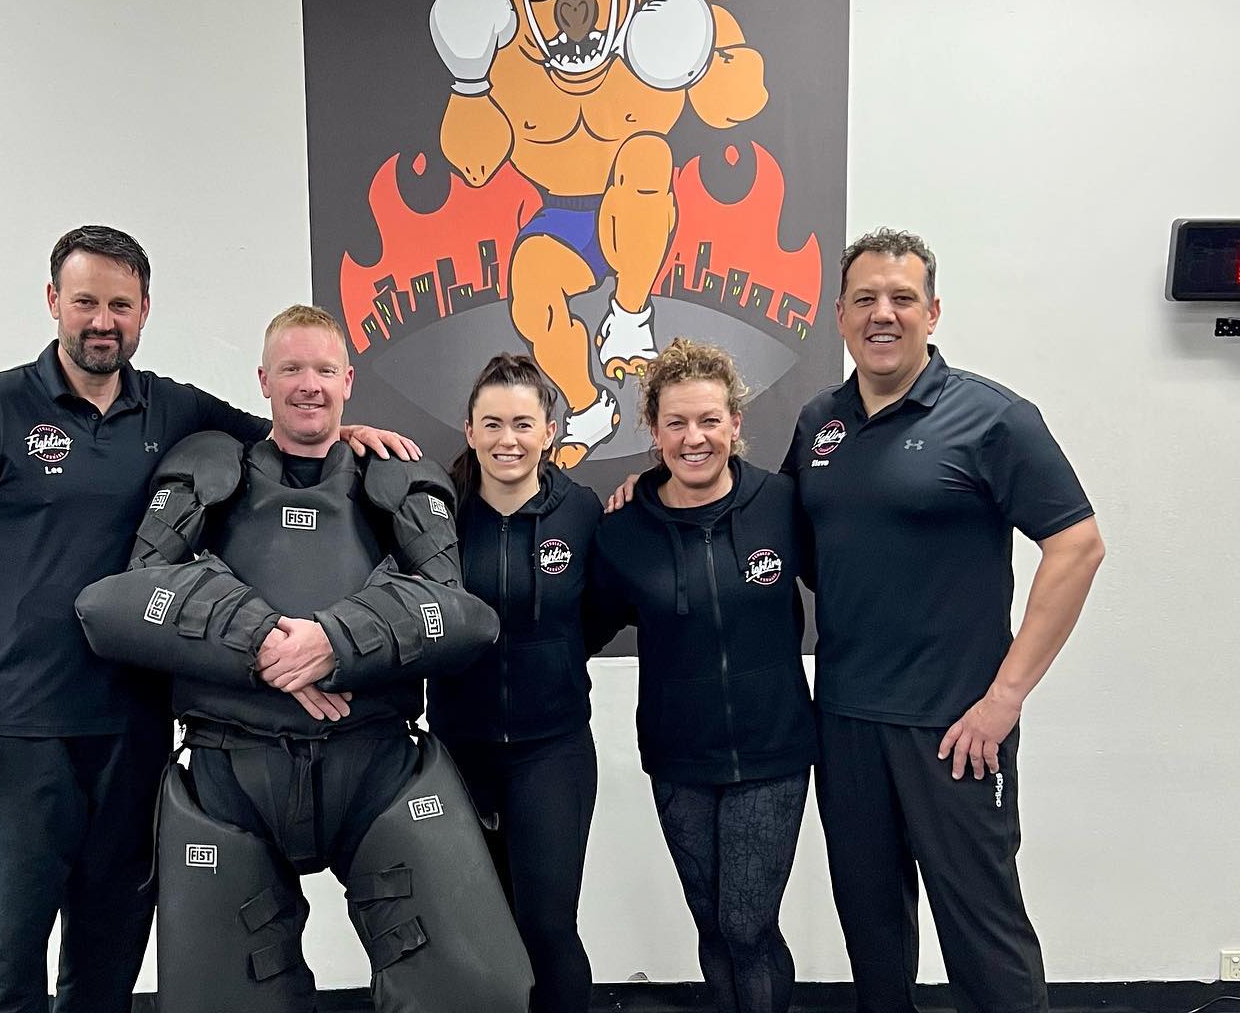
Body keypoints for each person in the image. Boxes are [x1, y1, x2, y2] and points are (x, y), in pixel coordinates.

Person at [0, 227, 414, 1013]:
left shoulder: (173, 410)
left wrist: (350, 434)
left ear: (143, 311)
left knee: (109, 952)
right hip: (19, 727)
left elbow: (284, 436)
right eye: (85, 302)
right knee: (6, 956)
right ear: (53, 302)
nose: (102, 321)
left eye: (120, 305)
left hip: (137, 726)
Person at [75, 305, 532, 1013]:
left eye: (323, 370)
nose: (308, 385)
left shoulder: (394, 478)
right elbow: (110, 607)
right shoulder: (210, 470)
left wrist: (337, 642)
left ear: (348, 380)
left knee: (477, 992)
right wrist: (260, 642)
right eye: (291, 369)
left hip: (375, 768)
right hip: (232, 778)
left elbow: (466, 619)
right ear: (264, 380)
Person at [781, 228, 1105, 1013]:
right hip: (847, 721)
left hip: (957, 727)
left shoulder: (993, 417)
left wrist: (1005, 699)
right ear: (839, 315)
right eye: (865, 299)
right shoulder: (819, 423)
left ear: (932, 313)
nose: (882, 314)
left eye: (902, 298)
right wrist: (646, 496)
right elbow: (783, 536)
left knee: (984, 940)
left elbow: (1078, 545)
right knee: (872, 940)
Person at [589, 338, 817, 1013]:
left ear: (735, 423)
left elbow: (854, 585)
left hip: (773, 752)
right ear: (654, 430)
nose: (695, 439)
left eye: (710, 420)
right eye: (678, 423)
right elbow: (573, 633)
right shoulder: (624, 531)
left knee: (747, 925)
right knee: (714, 924)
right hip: (679, 759)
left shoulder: (782, 503)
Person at [427, 354, 610, 1013]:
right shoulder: (438, 514)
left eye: (524, 424)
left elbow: (598, 614)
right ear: (470, 430)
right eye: (493, 424)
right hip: (457, 750)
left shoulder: (581, 512)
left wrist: (547, 660)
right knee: (474, 930)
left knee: (546, 926)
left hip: (551, 749)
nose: (509, 439)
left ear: (550, 431)